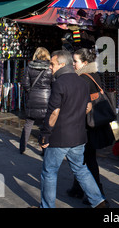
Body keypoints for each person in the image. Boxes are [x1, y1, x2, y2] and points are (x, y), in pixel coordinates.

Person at [39, 50, 107, 208]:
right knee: (81, 169)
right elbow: (88, 106)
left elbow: (54, 111)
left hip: (60, 137)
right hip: (78, 136)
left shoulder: (59, 83)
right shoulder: (82, 82)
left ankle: (47, 206)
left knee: (49, 172)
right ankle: (98, 201)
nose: (50, 67)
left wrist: (45, 135)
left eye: (52, 64)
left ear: (62, 65)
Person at [67, 48, 115, 201]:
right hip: (93, 124)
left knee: (86, 159)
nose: (73, 64)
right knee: (85, 158)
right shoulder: (94, 75)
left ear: (85, 62)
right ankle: (79, 188)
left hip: (86, 125)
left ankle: (95, 193)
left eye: (76, 61)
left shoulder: (82, 79)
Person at [20, 47, 52, 154]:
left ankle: (22, 147)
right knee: (44, 125)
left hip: (33, 97)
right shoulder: (50, 68)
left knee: (28, 123)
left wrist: (30, 91)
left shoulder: (29, 66)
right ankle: (44, 149)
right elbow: (54, 83)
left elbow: (25, 83)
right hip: (47, 98)